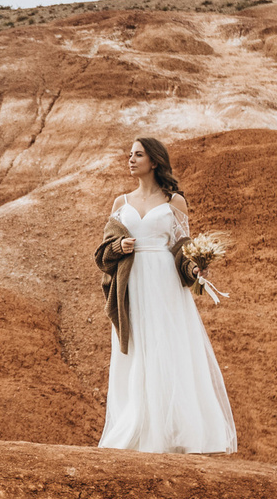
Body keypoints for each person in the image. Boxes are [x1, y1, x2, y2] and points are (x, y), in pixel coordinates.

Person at [93, 136, 238, 454]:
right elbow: (103, 251)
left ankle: (173, 434)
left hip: (164, 286)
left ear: (154, 161)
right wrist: (119, 247)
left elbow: (181, 248)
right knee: (137, 352)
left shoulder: (175, 202)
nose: (131, 159)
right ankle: (138, 430)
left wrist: (195, 269)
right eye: (129, 154)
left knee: (166, 350)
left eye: (138, 154)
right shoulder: (122, 203)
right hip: (132, 286)